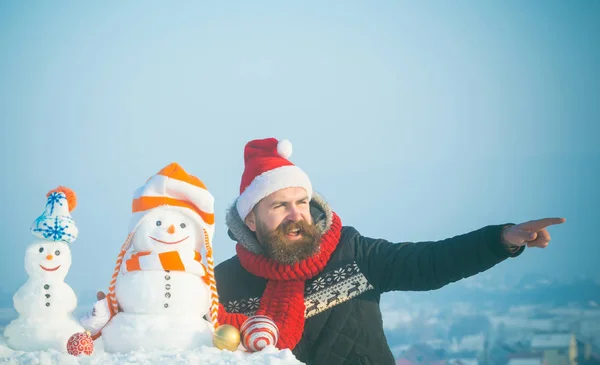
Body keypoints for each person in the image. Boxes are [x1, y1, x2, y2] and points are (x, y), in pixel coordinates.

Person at [215, 137, 565, 365]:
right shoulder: (224, 283)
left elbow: (428, 264)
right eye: (279, 206)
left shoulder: (350, 251)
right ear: (250, 219)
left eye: (302, 202)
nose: (296, 216)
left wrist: (500, 240)